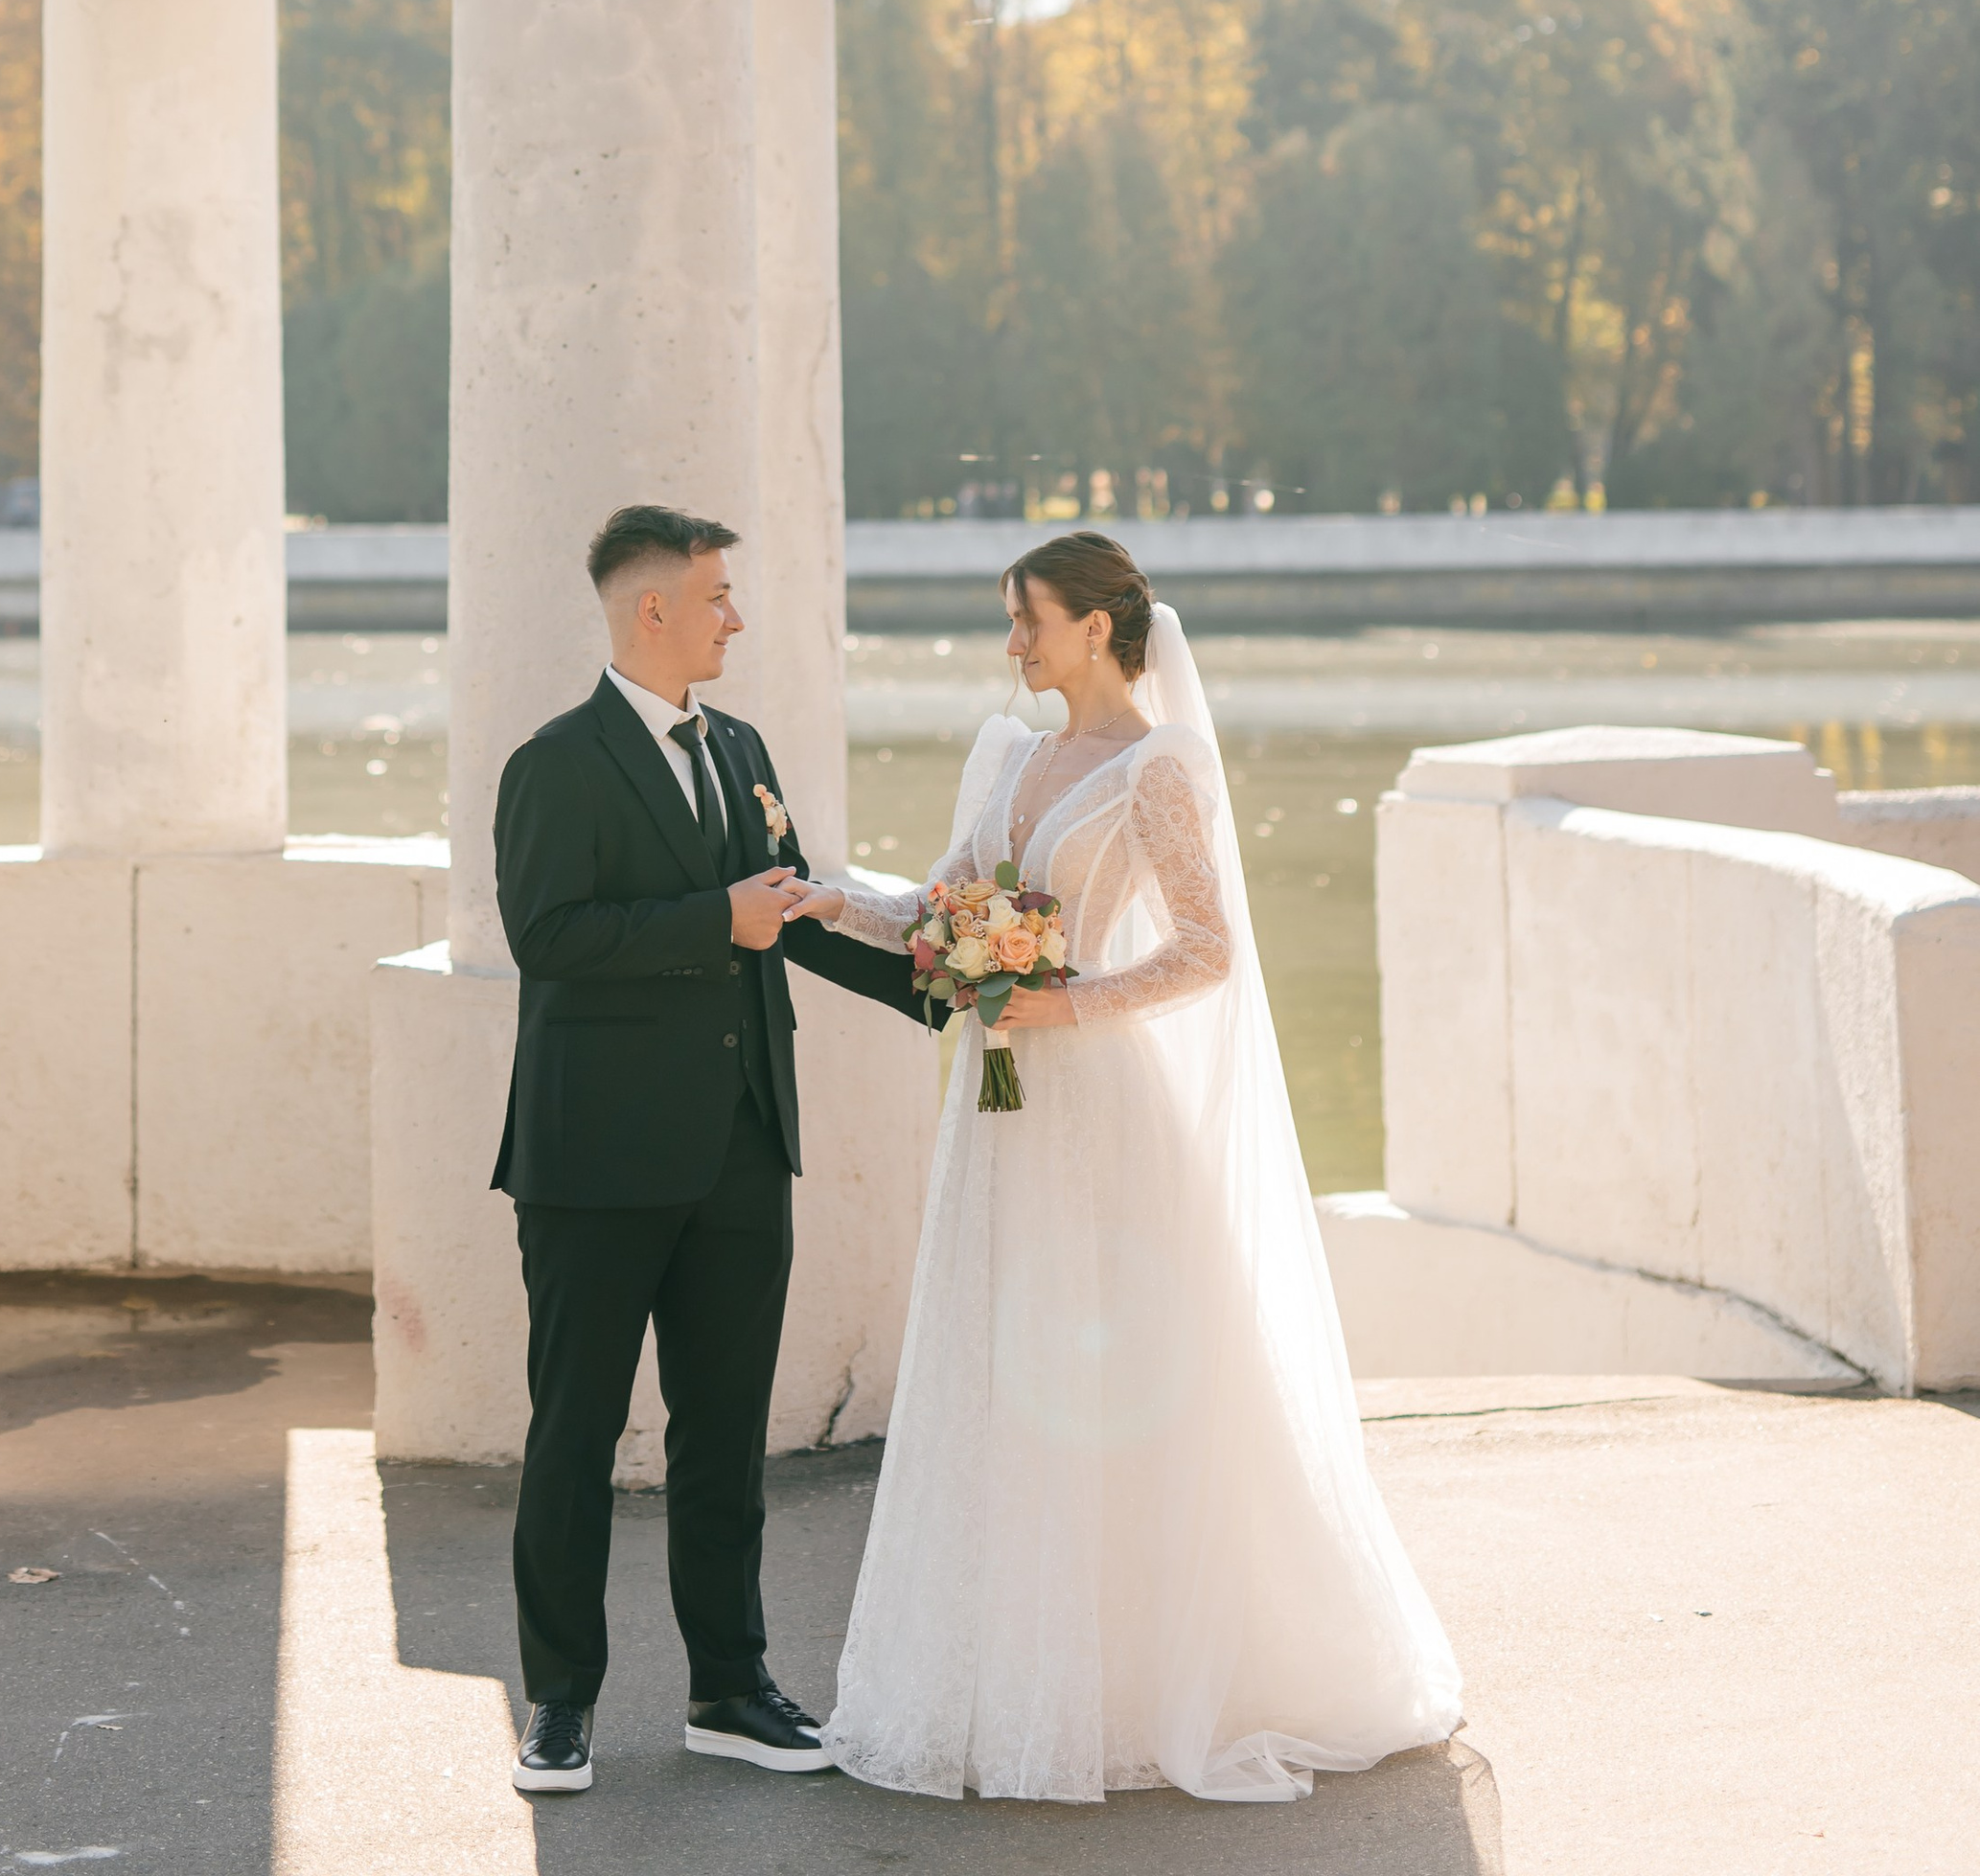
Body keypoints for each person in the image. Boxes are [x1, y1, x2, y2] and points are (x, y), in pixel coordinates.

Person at [798, 527, 1464, 1804]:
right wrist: (839, 903)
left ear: (1096, 627)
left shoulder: (1160, 768)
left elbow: (1208, 949)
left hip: (1101, 1107)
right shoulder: (1009, 754)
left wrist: (1071, 1005)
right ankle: (1014, 1678)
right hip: (996, 1121)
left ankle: (1156, 1680)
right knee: (1002, 1374)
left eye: (1029, 621)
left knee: (1126, 1377)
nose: (1012, 647)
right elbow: (942, 915)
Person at [492, 500, 929, 1798]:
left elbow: (781, 917)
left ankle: (731, 1689)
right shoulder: (554, 765)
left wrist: (945, 994)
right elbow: (549, 939)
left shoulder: (739, 744)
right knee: (573, 1435)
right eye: (719, 595)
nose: (736, 616)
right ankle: (560, 1706)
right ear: (654, 610)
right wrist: (709, 918)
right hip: (595, 1163)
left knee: (725, 1434)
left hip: (742, 1152)